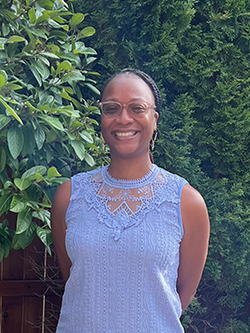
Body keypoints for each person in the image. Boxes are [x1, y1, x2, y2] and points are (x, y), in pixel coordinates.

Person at [51, 68, 210, 333]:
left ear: (155, 118)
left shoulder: (186, 202)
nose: (123, 119)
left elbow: (181, 295)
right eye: (111, 108)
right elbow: (74, 279)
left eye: (137, 108)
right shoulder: (70, 196)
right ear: (101, 118)